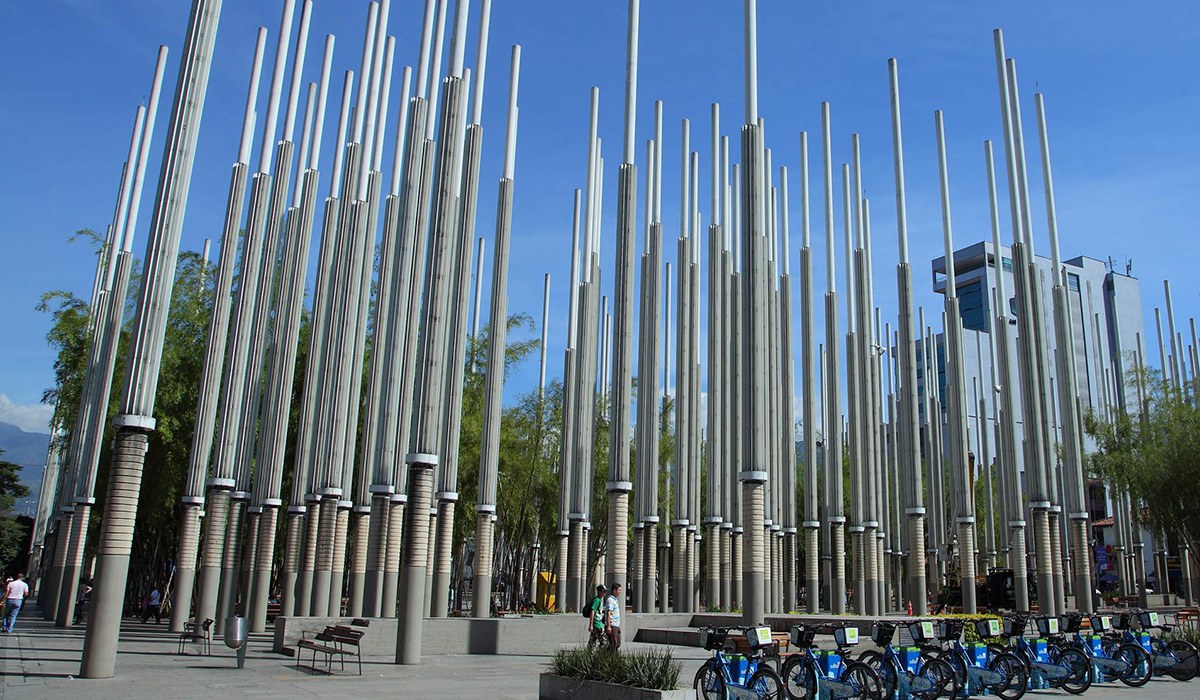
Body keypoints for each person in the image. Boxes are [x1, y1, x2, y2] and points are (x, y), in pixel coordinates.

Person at [586, 584, 607, 649]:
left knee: (592, 641)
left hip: (598, 624)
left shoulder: (599, 600)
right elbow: (592, 611)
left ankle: (590, 654)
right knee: (604, 641)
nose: (605, 593)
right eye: (604, 591)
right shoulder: (597, 600)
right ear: (599, 592)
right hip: (597, 624)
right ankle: (600, 654)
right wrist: (591, 625)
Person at [604, 583, 622, 650]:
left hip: (616, 625)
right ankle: (608, 656)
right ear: (614, 591)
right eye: (619, 590)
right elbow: (608, 613)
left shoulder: (615, 600)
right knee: (613, 644)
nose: (620, 592)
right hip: (612, 624)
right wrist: (608, 626)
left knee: (617, 643)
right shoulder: (610, 600)